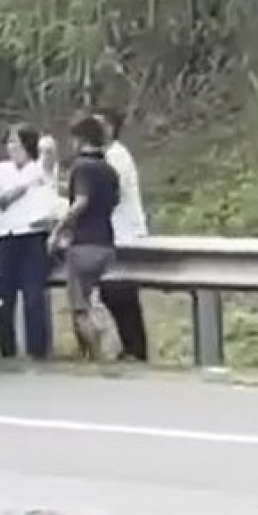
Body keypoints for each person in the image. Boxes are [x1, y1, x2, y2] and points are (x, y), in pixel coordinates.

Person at [49, 114, 120, 360]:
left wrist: (58, 230)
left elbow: (80, 202)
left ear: (80, 139)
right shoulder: (110, 170)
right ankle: (107, 342)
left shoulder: (82, 167)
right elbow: (114, 202)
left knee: (80, 306)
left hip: (83, 244)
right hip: (106, 244)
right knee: (94, 298)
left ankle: (99, 352)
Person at [0, 123, 57, 360]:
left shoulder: (40, 168)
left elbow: (49, 154)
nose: (11, 148)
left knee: (33, 295)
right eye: (8, 143)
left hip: (32, 235)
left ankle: (37, 350)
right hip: (6, 235)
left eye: (16, 142)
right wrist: (24, 186)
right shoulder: (0, 169)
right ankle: (7, 350)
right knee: (4, 297)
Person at [95, 107, 150, 361]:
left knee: (120, 293)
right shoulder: (105, 156)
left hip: (124, 232)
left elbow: (111, 193)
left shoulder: (116, 156)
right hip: (113, 233)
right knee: (113, 293)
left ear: (110, 128)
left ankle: (135, 348)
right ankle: (130, 347)